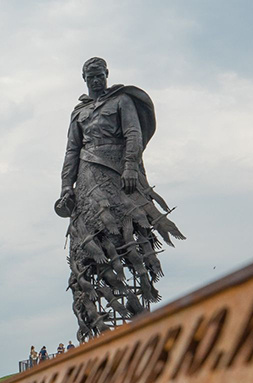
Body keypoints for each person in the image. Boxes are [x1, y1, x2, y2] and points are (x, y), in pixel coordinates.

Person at [55, 57, 184, 342]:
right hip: (88, 179)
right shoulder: (79, 113)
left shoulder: (122, 101)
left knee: (127, 233)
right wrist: (66, 186)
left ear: (107, 75)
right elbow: (71, 150)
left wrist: (129, 167)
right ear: (84, 79)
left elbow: (133, 134)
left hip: (118, 176)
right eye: (91, 77)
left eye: (100, 75)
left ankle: (138, 312)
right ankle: (99, 325)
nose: (96, 80)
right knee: (90, 244)